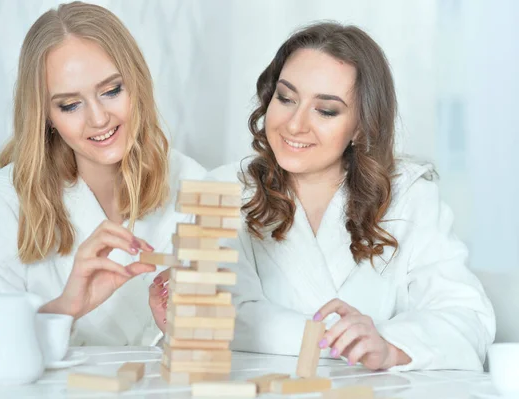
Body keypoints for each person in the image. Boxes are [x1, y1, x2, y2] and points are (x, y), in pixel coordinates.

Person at [153, 22, 495, 371]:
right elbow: (224, 317)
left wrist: (389, 346)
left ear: (361, 125)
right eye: (285, 98)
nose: (295, 124)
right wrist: (347, 341)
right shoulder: (223, 190)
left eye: (326, 110)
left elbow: (467, 319)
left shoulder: (410, 196)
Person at [0, 1, 204, 372]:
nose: (98, 118)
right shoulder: (6, 204)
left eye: (112, 90)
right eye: (70, 105)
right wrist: (64, 308)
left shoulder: (192, 183)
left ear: (137, 82)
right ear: (47, 117)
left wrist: (181, 333)